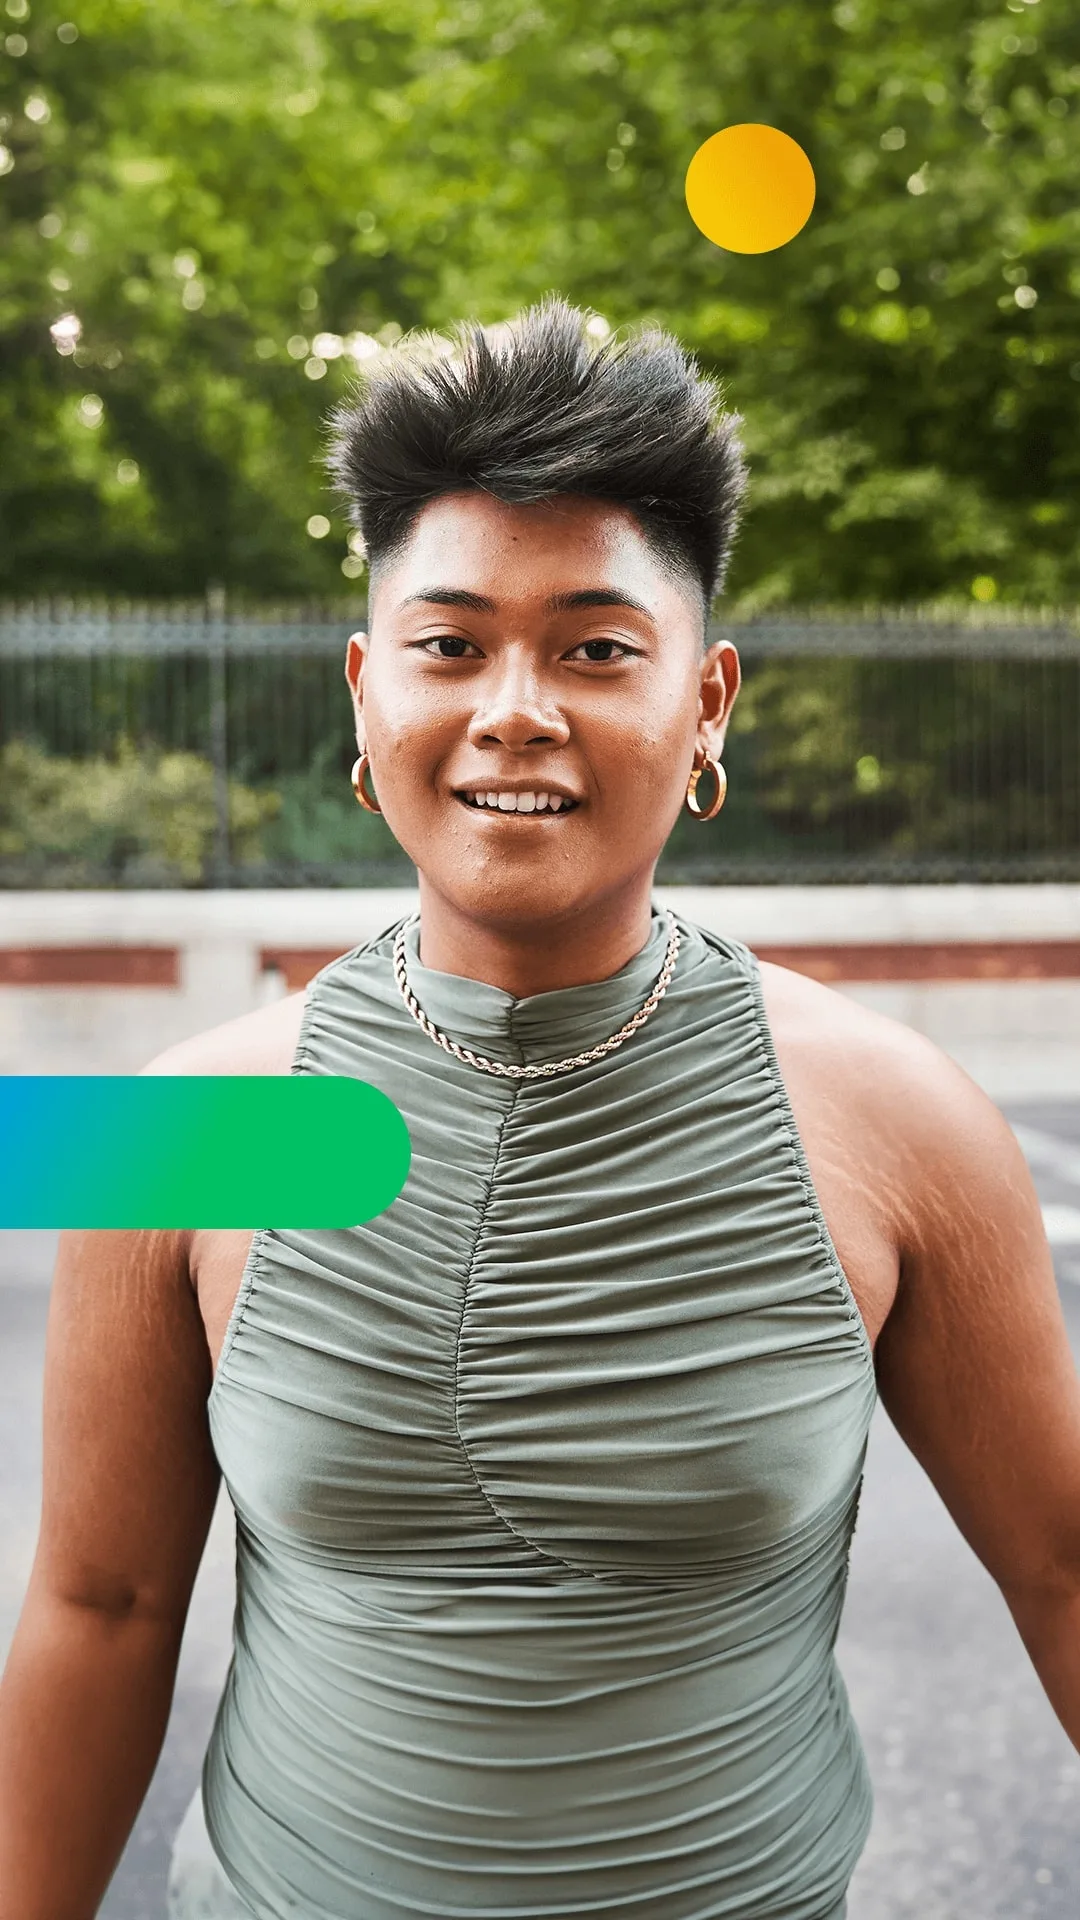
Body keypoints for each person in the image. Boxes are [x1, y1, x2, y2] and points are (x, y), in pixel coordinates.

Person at [1, 297, 1078, 1920]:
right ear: (368, 695)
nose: (516, 705)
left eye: (594, 645)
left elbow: (1064, 1571)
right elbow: (98, 1603)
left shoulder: (902, 1121)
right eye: (449, 644)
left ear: (706, 701)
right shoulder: (186, 1122)